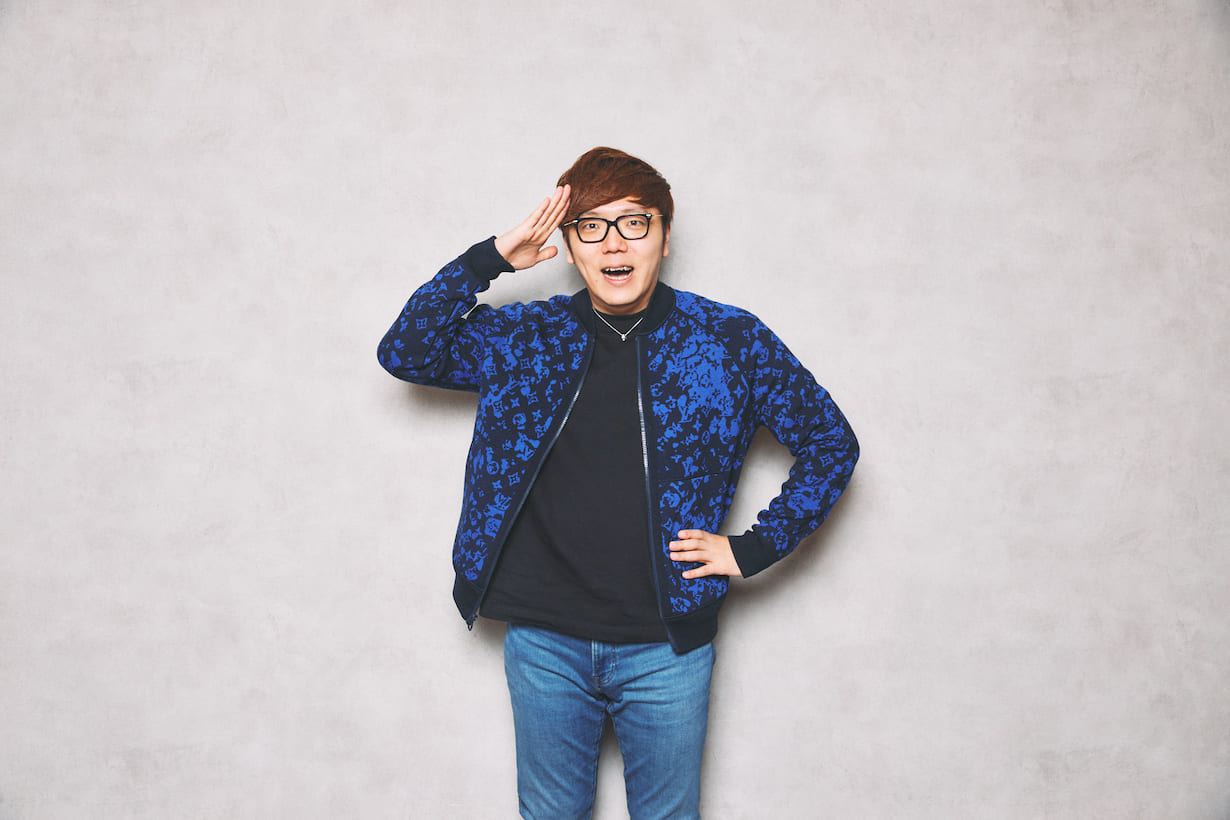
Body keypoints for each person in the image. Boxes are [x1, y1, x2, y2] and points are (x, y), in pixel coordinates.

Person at [377, 147, 858, 819]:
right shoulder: (526, 336)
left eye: (634, 222)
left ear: (665, 236)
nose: (614, 243)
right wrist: (488, 259)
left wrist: (752, 548)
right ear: (571, 246)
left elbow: (830, 443)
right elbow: (405, 352)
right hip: (543, 639)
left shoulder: (728, 339)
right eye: (591, 226)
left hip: (667, 646)